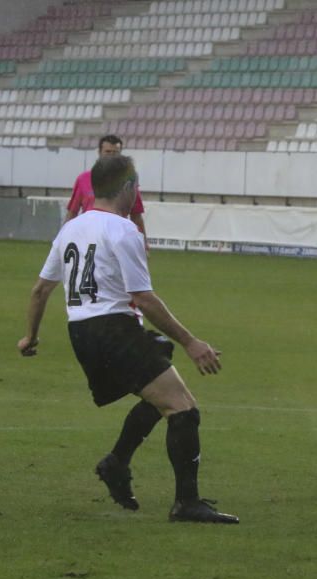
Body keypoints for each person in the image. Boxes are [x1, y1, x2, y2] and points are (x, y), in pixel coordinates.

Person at [17, 155, 237, 523]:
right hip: (112, 329)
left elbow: (41, 290)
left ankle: (117, 462)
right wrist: (191, 342)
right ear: (128, 187)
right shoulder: (123, 230)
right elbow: (146, 300)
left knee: (161, 388)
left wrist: (30, 337)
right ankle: (186, 502)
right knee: (183, 407)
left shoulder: (70, 229)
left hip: (82, 333)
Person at [65, 135, 146, 241]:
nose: (111, 156)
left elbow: (136, 216)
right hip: (88, 236)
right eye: (108, 152)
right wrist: (64, 236)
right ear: (99, 152)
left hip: (117, 238)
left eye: (115, 152)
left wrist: (144, 242)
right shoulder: (83, 179)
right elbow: (72, 212)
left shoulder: (128, 182)